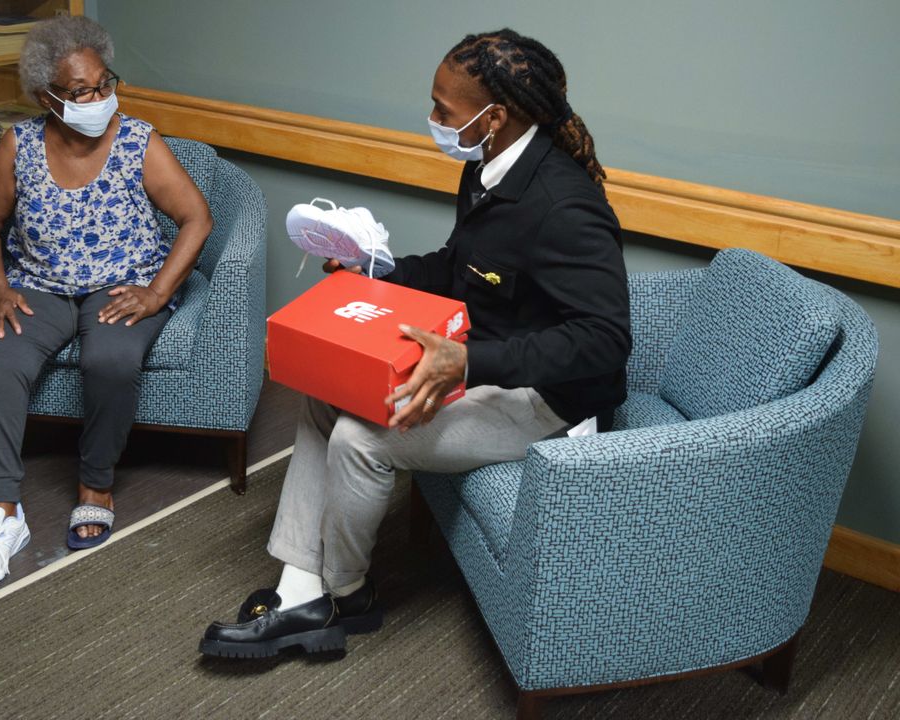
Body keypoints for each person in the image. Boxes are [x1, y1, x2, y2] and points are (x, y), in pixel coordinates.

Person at [199, 29, 631, 658]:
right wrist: (375, 269)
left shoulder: (563, 205)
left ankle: (345, 598)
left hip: (550, 402)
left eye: (443, 111)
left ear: (495, 118)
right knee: (325, 396)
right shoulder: (487, 168)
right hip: (480, 363)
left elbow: (605, 340)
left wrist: (470, 360)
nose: (433, 120)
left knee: (362, 436)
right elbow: (459, 267)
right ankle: (299, 589)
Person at [0, 16, 211, 587]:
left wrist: (157, 292)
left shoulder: (138, 140)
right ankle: (1, 514)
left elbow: (196, 217)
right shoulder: (16, 145)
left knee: (111, 360)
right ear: (47, 97)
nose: (99, 98)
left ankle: (96, 484)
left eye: (104, 83)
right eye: (81, 92)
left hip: (120, 288)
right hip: (39, 287)